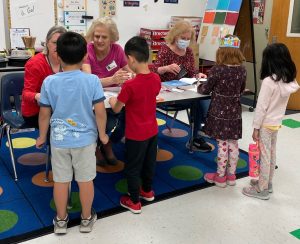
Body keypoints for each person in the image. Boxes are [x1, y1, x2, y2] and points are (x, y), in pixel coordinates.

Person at [36, 32, 109, 233]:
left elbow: (44, 114)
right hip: (85, 141)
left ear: (58, 55)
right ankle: (86, 219)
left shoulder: (49, 82)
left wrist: (42, 136)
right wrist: (102, 135)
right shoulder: (92, 80)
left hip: (59, 140)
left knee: (61, 181)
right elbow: (101, 113)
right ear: (85, 56)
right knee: (85, 180)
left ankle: (61, 221)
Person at [109, 36, 161, 214]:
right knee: (149, 163)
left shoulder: (130, 85)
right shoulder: (155, 79)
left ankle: (133, 201)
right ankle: (147, 191)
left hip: (135, 134)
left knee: (132, 167)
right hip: (152, 131)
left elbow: (116, 109)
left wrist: (112, 98)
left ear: (130, 59)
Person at [243, 43, 299, 200]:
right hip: (276, 123)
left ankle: (262, 189)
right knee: (271, 153)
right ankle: (268, 182)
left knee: (265, 155)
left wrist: (255, 127)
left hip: (266, 124)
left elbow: (261, 107)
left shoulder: (269, 81)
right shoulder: (289, 80)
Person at [152, 20, 211, 152]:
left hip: (185, 91)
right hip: (166, 94)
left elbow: (192, 72)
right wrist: (166, 68)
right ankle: (201, 131)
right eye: (182, 38)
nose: (185, 41)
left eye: (187, 39)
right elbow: (153, 71)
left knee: (202, 98)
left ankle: (197, 135)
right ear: (175, 36)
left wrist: (198, 75)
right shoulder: (165, 50)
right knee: (199, 102)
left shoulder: (188, 51)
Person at [198, 35, 246, 187]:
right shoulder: (242, 70)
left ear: (221, 52)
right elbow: (242, 89)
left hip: (219, 113)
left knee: (222, 144)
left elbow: (205, 89)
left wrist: (199, 86)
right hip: (235, 113)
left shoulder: (217, 69)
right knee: (233, 144)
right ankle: (231, 176)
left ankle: (220, 176)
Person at [83, 17, 132, 166]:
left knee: (130, 116)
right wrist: (112, 80)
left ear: (112, 38)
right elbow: (88, 82)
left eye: (104, 37)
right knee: (109, 121)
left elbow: (130, 72)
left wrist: (130, 77)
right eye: (96, 36)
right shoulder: (87, 50)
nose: (99, 40)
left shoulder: (117, 49)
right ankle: (99, 146)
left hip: (114, 95)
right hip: (93, 98)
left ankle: (108, 142)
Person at [21, 26, 67, 128]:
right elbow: (26, 94)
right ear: (47, 43)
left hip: (59, 110)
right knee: (62, 129)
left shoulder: (69, 61)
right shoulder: (35, 63)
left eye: (62, 43)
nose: (58, 47)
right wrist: (39, 96)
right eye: (55, 43)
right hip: (35, 112)